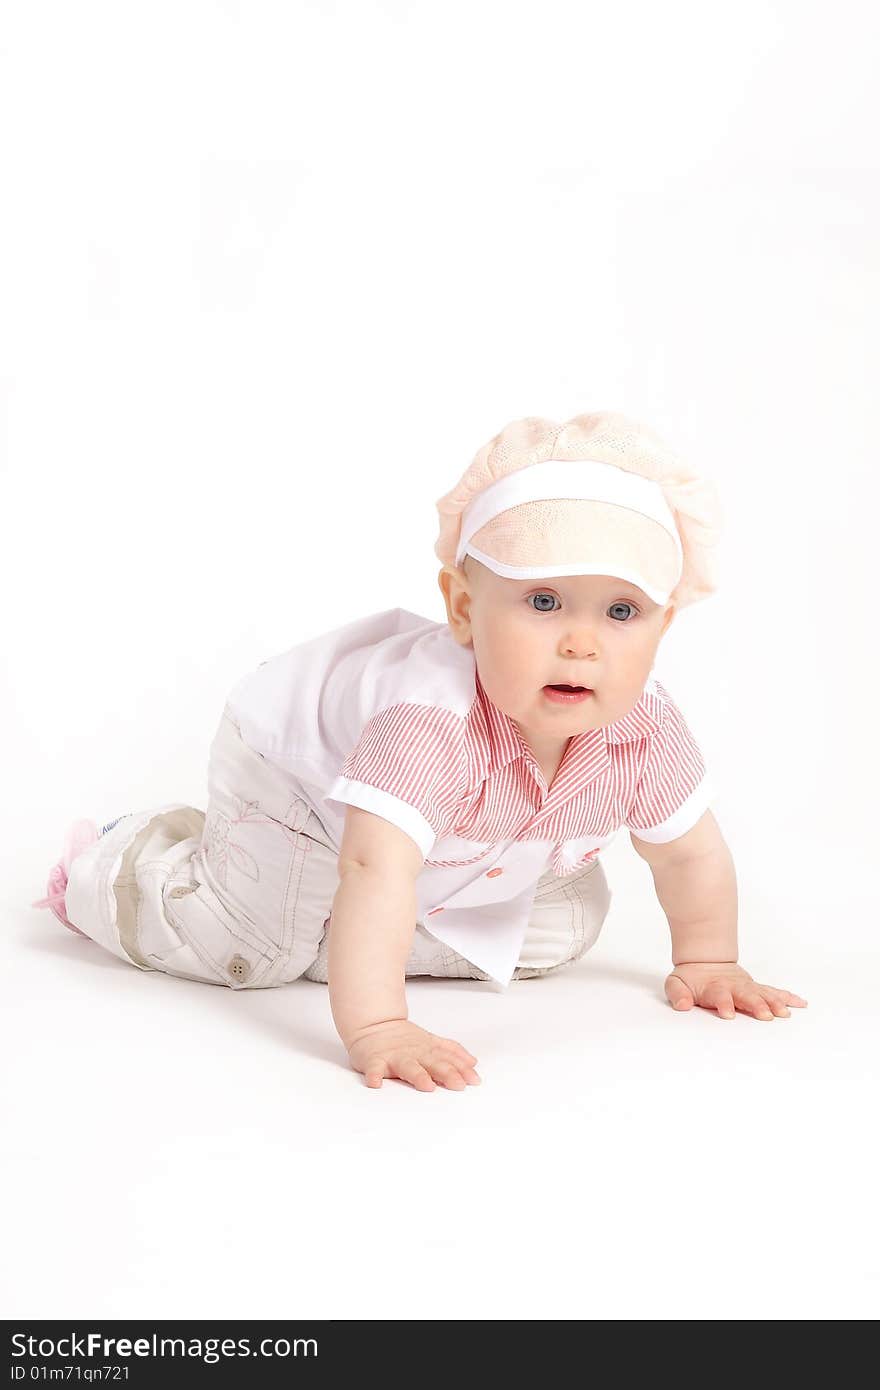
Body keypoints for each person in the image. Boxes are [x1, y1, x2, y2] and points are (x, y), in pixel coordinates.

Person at [31, 410, 807, 1091]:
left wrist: (707, 961)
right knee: (259, 950)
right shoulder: (429, 722)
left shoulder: (644, 726)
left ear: (662, 627)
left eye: (620, 610)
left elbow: (690, 858)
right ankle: (129, 866)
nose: (581, 642)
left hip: (466, 826)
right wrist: (379, 1026)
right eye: (543, 602)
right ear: (465, 610)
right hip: (300, 781)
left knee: (560, 935)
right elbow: (375, 866)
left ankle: (347, 932)